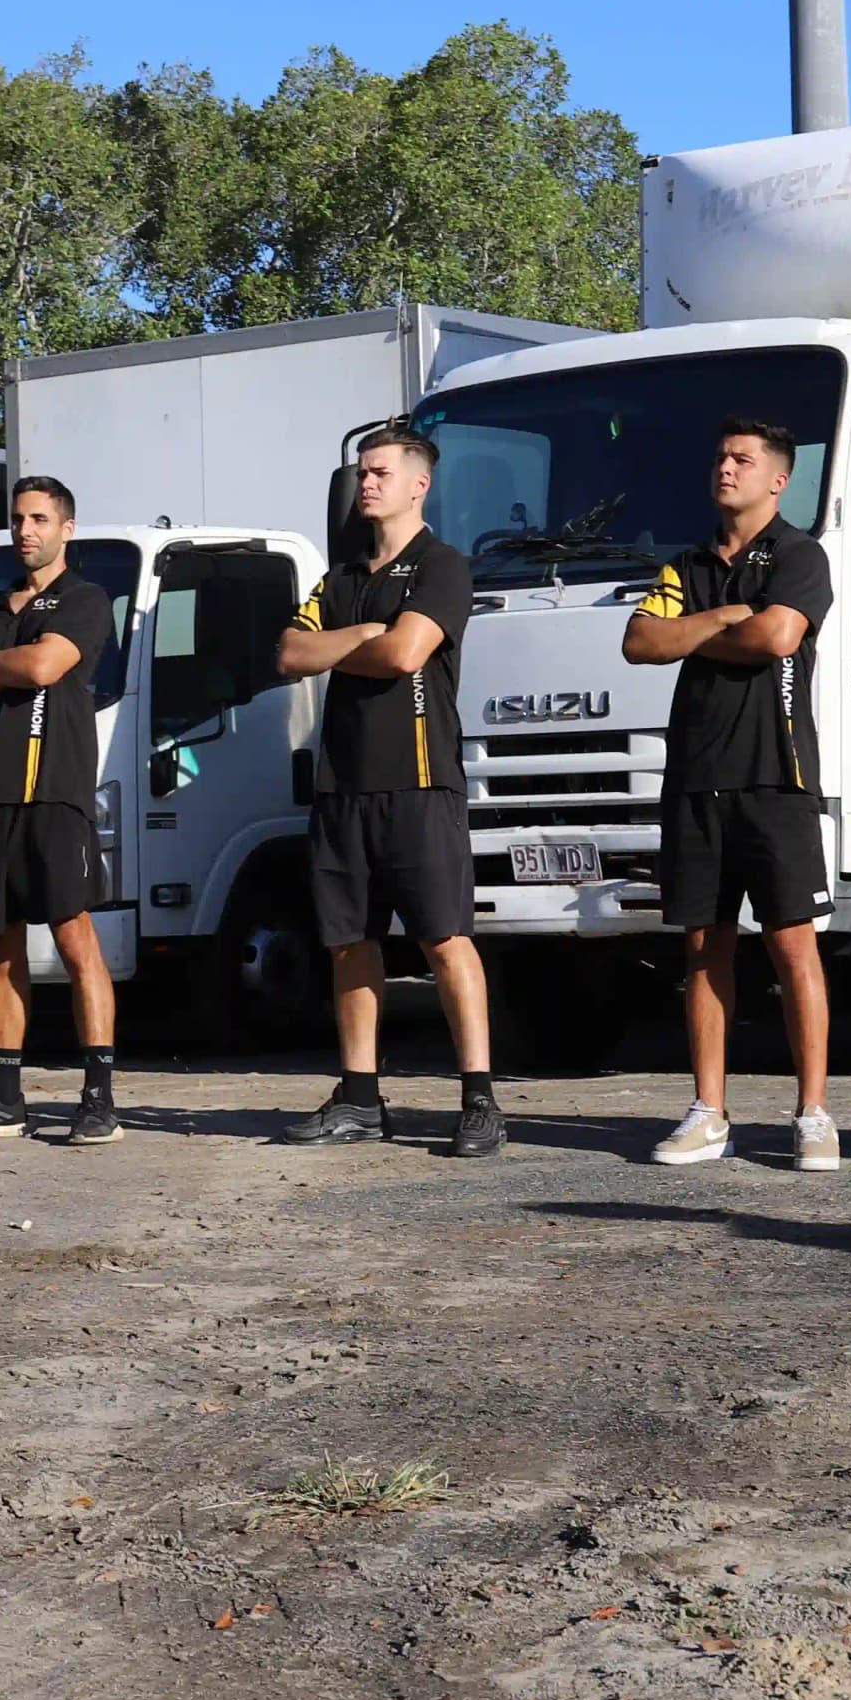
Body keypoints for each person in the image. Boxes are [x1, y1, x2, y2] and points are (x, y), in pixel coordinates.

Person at [274, 424, 499, 1157]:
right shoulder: (340, 579)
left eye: (379, 473)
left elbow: (406, 652)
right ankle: (360, 1099)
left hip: (420, 783)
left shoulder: (443, 566)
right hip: (343, 787)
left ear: (417, 485)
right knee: (349, 944)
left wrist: (356, 644)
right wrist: (361, 634)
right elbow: (290, 652)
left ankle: (479, 1100)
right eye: (361, 473)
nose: (365, 484)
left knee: (445, 940)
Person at [624, 418, 840, 1170]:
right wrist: (720, 616)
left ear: (778, 480)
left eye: (742, 459)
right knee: (702, 948)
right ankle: (708, 1113)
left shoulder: (800, 554)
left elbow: (778, 636)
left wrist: (690, 633)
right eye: (720, 456)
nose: (726, 467)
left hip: (776, 776)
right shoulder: (686, 564)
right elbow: (639, 642)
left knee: (792, 945)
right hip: (695, 779)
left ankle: (813, 1113)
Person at [0, 477, 124, 1144]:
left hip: (55, 795)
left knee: (75, 940)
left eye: (39, 519)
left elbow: (45, 666)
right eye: (18, 519)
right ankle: (4, 1096)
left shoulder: (86, 599)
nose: (25, 531)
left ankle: (98, 1099)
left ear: (66, 528)